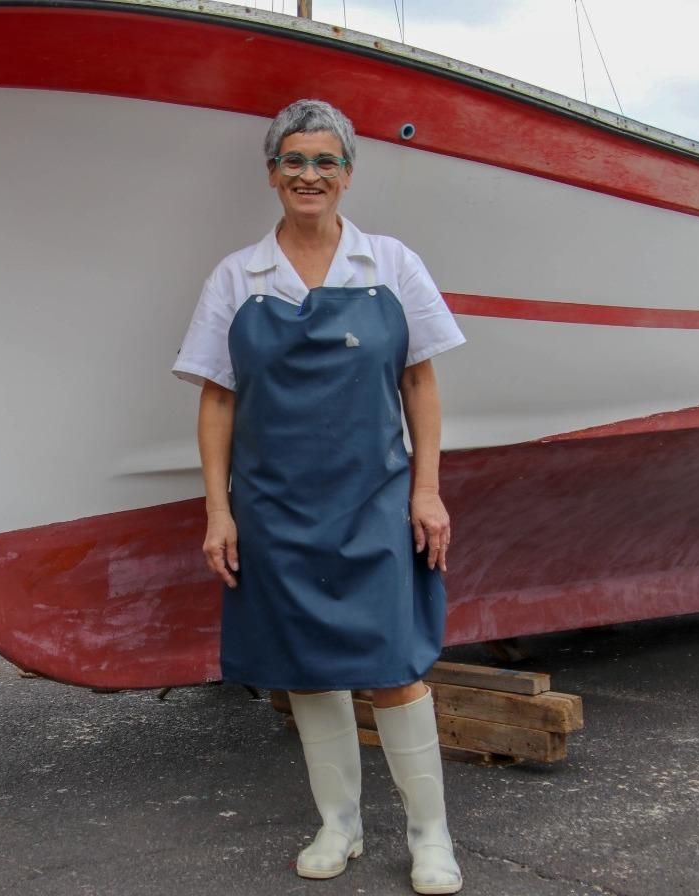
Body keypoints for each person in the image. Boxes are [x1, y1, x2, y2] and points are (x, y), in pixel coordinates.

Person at [172, 98, 467, 895]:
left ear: (347, 174)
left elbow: (419, 382)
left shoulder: (391, 265)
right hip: (273, 508)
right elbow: (217, 399)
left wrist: (428, 492)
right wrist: (218, 509)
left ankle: (430, 835)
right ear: (272, 173)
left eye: (325, 161)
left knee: (397, 665)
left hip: (376, 498)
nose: (310, 175)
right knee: (306, 669)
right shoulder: (239, 275)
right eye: (294, 161)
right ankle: (340, 824)